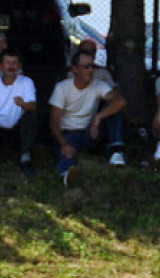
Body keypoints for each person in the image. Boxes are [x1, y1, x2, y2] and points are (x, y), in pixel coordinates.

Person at [49, 49, 127, 186]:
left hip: (89, 133)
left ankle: (116, 151)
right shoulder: (62, 88)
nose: (90, 70)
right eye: (86, 67)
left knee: (114, 110)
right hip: (68, 133)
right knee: (67, 153)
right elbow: (53, 122)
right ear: (75, 69)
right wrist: (63, 143)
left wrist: (98, 117)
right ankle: (67, 175)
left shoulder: (98, 85)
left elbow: (120, 102)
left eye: (92, 66)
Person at [0, 48, 37, 178]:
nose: (11, 66)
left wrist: (24, 104)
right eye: (8, 62)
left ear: (19, 66)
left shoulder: (26, 82)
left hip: (17, 130)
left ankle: (26, 157)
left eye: (14, 63)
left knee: (30, 116)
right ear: (0, 66)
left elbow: (33, 105)